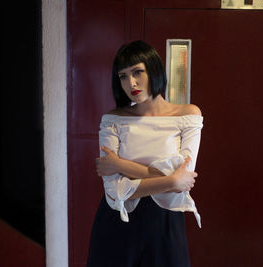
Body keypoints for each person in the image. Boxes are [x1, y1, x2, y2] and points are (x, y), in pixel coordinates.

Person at [87, 40, 203, 267]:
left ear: (154, 69)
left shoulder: (187, 116)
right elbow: (116, 191)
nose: (131, 82)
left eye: (137, 72)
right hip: (117, 220)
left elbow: (183, 178)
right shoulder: (113, 120)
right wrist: (170, 180)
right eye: (122, 76)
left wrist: (120, 165)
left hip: (166, 222)